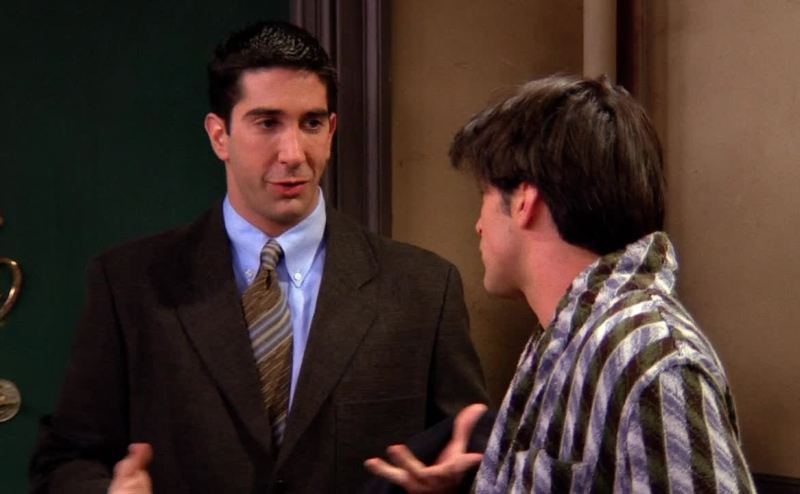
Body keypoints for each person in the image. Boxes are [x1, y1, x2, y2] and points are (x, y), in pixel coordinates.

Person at [29, 21, 488, 494]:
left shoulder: (422, 289)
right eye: (268, 123)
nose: (293, 153)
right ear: (219, 136)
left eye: (311, 123)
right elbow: (63, 461)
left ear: (331, 131)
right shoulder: (129, 285)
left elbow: (473, 458)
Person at [365, 75, 756, 493]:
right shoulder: (563, 339)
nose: (478, 225)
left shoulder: (653, 360)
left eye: (484, 194)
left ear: (524, 201)